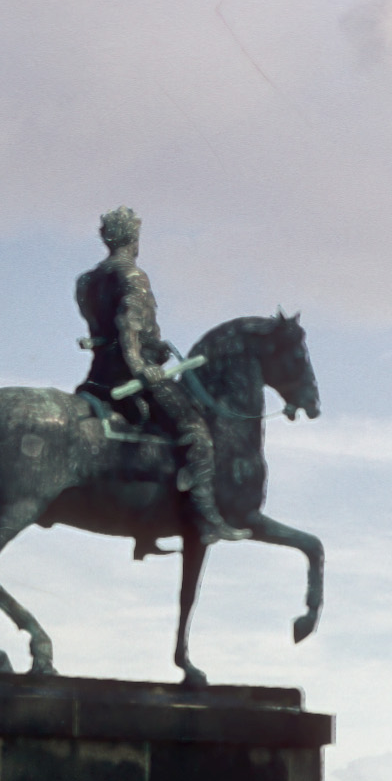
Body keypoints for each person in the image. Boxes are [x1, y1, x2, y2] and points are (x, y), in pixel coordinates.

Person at [75, 207, 244, 554]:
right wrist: (140, 363)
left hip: (97, 379)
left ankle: (147, 525)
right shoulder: (133, 276)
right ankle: (205, 517)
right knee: (197, 433)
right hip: (130, 375)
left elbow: (101, 328)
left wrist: (152, 346)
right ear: (132, 238)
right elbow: (127, 322)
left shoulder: (86, 281)